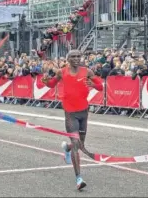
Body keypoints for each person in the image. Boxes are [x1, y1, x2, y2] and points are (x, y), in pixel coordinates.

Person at [41, 50, 103, 191]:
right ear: (68, 59)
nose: (76, 59)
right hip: (70, 113)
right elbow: (51, 84)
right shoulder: (61, 72)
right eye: (73, 57)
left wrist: (93, 85)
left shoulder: (87, 72)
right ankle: (79, 178)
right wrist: (45, 81)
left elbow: (100, 87)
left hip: (83, 111)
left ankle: (66, 148)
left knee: (80, 144)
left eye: (78, 56)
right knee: (76, 144)